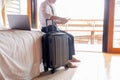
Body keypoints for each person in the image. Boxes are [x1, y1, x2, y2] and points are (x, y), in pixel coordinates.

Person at [39, 0, 80, 68]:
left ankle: (71, 57)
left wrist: (61, 22)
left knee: (71, 37)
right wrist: (61, 18)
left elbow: (53, 20)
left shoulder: (52, 6)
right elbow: (47, 16)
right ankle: (67, 61)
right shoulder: (44, 4)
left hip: (53, 27)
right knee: (67, 39)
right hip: (47, 28)